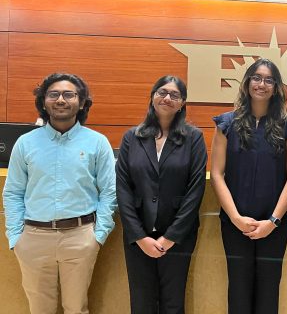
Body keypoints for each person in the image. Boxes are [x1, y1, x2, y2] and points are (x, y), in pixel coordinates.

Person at [3, 73, 116, 314]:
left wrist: (98, 236)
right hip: (33, 238)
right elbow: (13, 192)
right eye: (53, 94)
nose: (61, 100)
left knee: (76, 308)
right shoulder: (25, 143)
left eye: (69, 94)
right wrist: (16, 237)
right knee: (39, 309)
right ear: (44, 101)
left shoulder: (97, 143)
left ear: (82, 102)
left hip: (80, 237)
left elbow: (109, 192)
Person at [210, 58, 287, 314]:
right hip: (235, 223)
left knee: (268, 291)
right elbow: (216, 174)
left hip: (274, 225)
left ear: (276, 87)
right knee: (238, 290)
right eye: (256, 78)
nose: (261, 84)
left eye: (268, 79)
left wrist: (272, 221)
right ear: (248, 82)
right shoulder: (225, 125)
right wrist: (236, 217)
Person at [116, 75, 207, 314]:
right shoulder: (131, 137)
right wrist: (138, 236)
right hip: (138, 236)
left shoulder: (193, 138)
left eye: (174, 95)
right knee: (141, 302)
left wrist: (171, 237)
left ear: (182, 103)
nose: (167, 98)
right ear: (153, 96)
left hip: (178, 236)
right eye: (162, 92)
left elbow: (195, 190)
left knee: (173, 303)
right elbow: (123, 190)